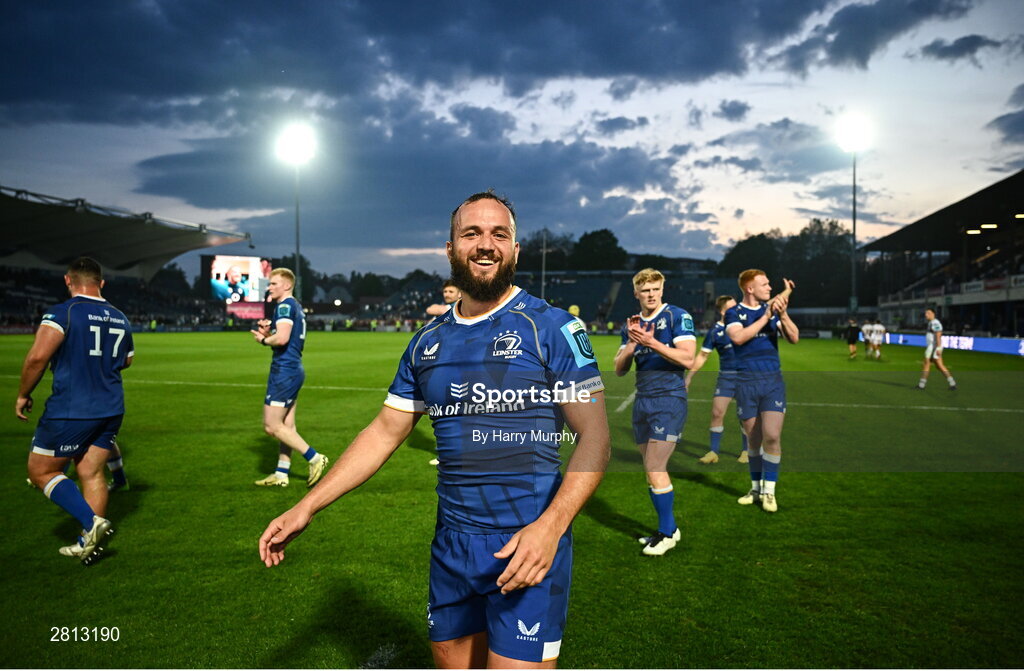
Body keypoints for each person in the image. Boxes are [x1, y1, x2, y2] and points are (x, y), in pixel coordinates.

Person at [259, 191, 610, 669]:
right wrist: (307, 506)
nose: (486, 244)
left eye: (499, 234)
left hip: (528, 543)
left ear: (515, 250)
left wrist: (551, 528)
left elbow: (595, 439)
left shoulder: (552, 329)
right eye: (472, 233)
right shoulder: (426, 342)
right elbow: (384, 432)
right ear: (450, 249)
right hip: (452, 549)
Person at [17, 257, 133, 563]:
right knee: (91, 472)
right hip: (111, 406)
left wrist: (23, 394)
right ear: (101, 283)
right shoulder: (120, 316)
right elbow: (127, 360)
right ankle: (87, 543)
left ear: (69, 280)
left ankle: (91, 523)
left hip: (73, 408)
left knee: (41, 470)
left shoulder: (62, 312)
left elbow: (37, 359)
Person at [613, 268, 696, 556]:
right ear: (636, 293)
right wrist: (634, 343)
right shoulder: (632, 324)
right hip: (643, 401)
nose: (650, 294)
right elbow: (619, 369)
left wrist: (652, 343)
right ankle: (668, 529)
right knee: (650, 470)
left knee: (654, 467)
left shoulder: (676, 316)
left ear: (662, 290)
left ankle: (667, 533)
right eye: (645, 290)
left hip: (669, 399)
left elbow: (688, 358)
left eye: (655, 289)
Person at [724, 270, 799, 513]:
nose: (769, 287)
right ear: (749, 289)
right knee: (753, 440)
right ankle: (755, 488)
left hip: (772, 381)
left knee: (772, 436)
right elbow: (738, 338)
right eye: (764, 284)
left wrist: (783, 315)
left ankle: (770, 491)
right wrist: (766, 316)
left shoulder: (774, 311)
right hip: (746, 382)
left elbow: (794, 338)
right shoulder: (734, 313)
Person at [250, 268, 329, 487]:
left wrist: (264, 341)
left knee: (272, 426)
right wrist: (270, 334)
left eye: (274, 283)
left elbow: (283, 338)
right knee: (287, 426)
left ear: (286, 285)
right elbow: (285, 336)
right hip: (292, 369)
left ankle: (315, 458)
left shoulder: (284, 305)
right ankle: (281, 473)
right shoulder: (294, 306)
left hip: (284, 371)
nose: (270, 287)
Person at [685, 295, 749, 465]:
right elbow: (702, 356)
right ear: (722, 311)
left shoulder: (746, 326)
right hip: (726, 378)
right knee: (717, 412)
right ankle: (714, 451)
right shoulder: (715, 332)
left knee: (745, 415)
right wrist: (689, 377)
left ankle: (747, 451)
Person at [917, 308, 956, 391]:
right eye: (926, 313)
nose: (926, 315)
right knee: (939, 366)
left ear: (933, 314)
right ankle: (952, 383)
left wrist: (938, 347)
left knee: (927, 364)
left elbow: (938, 335)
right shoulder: (931, 323)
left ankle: (921, 385)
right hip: (932, 346)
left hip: (933, 347)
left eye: (928, 313)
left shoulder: (935, 323)